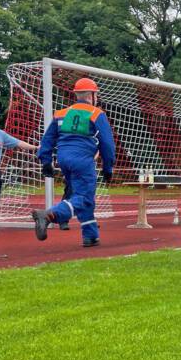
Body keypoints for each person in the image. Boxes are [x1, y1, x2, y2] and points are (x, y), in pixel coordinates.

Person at [32, 78, 116, 247]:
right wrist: (108, 167)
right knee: (83, 197)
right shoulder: (96, 113)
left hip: (63, 159)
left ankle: (90, 235)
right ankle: (49, 215)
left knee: (84, 197)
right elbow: (107, 144)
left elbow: (48, 139)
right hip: (83, 160)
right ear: (91, 95)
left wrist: (46, 161)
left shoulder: (61, 113)